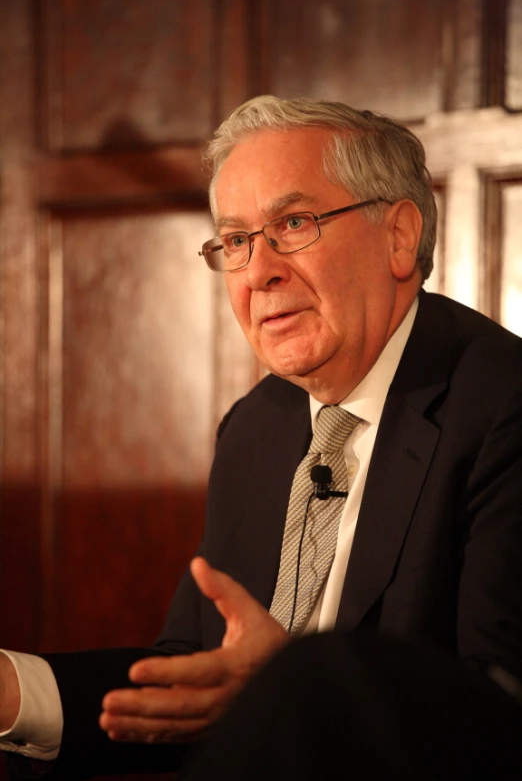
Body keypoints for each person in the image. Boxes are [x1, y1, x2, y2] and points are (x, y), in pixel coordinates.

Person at [1, 95, 521, 780]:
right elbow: (194, 681)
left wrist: (288, 685)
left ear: (398, 236)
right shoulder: (257, 426)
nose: (258, 272)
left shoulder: (502, 404)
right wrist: (16, 691)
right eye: (236, 240)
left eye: (294, 223)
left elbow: (499, 714)